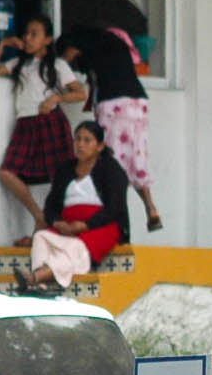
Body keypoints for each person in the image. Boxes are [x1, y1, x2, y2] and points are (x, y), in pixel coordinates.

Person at [0, 13, 86, 239]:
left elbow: (79, 93)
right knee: (7, 172)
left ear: (48, 40)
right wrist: (3, 44)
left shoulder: (58, 65)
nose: (29, 39)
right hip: (25, 124)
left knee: (59, 178)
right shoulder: (19, 64)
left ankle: (58, 229)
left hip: (50, 122)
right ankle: (39, 216)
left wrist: (55, 99)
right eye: (26, 34)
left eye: (35, 34)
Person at [59, 28, 162, 233]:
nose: (68, 61)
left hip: (114, 107)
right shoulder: (114, 44)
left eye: (66, 54)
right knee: (136, 159)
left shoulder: (87, 47)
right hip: (138, 104)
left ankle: (118, 222)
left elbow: (71, 68)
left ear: (72, 46)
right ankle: (150, 208)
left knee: (111, 164)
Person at [16, 121, 132, 292]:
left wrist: (86, 225)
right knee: (41, 237)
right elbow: (51, 206)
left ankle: (36, 277)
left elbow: (116, 207)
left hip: (102, 226)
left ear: (100, 146)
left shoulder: (111, 169)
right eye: (77, 139)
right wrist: (57, 223)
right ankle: (40, 285)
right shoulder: (65, 169)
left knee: (75, 246)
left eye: (87, 140)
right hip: (67, 226)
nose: (80, 145)